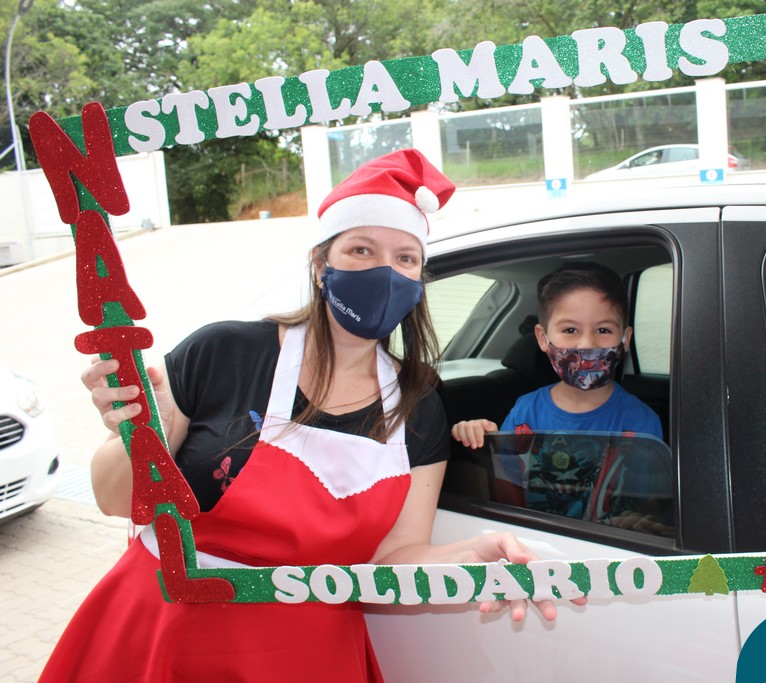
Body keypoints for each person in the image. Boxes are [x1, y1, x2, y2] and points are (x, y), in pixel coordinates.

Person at [39, 150, 583, 683]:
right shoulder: (223, 352)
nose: (385, 272)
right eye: (361, 250)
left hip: (301, 654)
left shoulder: (418, 405)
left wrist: (470, 558)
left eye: (405, 259)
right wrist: (142, 434)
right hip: (161, 632)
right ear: (321, 265)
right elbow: (114, 499)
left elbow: (392, 559)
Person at [451, 261, 665, 531]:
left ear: (625, 338)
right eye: (570, 330)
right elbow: (505, 485)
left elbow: (648, 509)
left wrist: (635, 521)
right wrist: (480, 439)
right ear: (543, 338)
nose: (586, 345)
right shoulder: (525, 411)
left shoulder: (641, 422)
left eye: (603, 330)